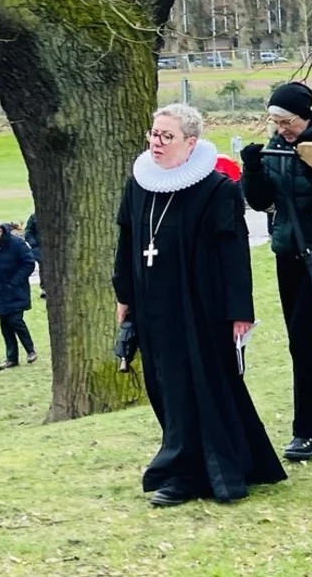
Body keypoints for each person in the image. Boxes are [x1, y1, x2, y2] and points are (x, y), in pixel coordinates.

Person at [113, 104, 285, 506]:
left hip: (199, 307)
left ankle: (186, 474)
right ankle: (239, 460)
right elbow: (126, 244)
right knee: (164, 387)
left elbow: (233, 254)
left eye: (166, 136)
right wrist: (124, 295)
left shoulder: (217, 190)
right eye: (153, 134)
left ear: (190, 143)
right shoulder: (138, 185)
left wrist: (239, 312)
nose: (156, 142)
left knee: (202, 386)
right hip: (151, 306)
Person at [240, 81, 312, 461]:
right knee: (301, 341)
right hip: (287, 253)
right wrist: (252, 170)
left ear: (305, 118)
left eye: (286, 121)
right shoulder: (276, 146)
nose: (279, 128)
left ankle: (306, 431)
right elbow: (261, 202)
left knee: (302, 337)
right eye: (274, 121)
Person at [0, 222, 37, 370]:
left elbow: (28, 263)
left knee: (15, 320)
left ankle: (30, 350)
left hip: (15, 291)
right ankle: (11, 358)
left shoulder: (16, 244)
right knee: (5, 325)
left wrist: (14, 282)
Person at [23, 213, 42, 300]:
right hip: (39, 247)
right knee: (44, 266)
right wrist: (34, 244)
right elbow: (28, 232)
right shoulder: (34, 217)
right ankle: (45, 287)